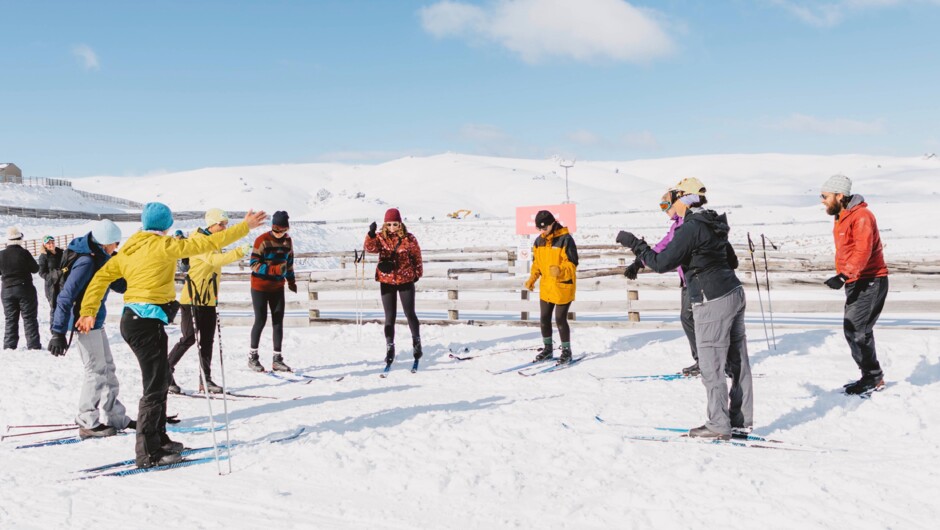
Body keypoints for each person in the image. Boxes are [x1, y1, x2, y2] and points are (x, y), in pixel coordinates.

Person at [77, 202, 267, 469]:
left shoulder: (129, 249)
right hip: (144, 324)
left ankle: (160, 438)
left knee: (161, 379)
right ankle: (147, 453)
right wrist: (244, 227)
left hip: (138, 321)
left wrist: (88, 311)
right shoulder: (163, 246)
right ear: (166, 225)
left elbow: (100, 279)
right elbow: (204, 245)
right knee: (154, 387)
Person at [616, 179, 752, 440]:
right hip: (733, 292)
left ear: (684, 198)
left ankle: (718, 425)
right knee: (738, 362)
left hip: (712, 298)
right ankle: (739, 420)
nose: (670, 205)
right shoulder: (713, 222)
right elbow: (732, 260)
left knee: (711, 366)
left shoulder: (690, 227)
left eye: (672, 199)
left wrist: (634, 243)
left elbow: (661, 262)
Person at [47, 220, 133, 439]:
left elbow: (119, 285)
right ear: (106, 243)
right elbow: (66, 296)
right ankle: (87, 420)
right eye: (115, 243)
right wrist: (58, 332)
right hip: (84, 323)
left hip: (96, 321)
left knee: (108, 369)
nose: (117, 247)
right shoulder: (86, 262)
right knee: (95, 371)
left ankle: (115, 416)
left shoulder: (100, 257)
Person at [819, 174, 889, 395]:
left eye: (825, 196)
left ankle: (872, 378)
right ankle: (871, 377)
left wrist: (843, 276)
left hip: (869, 279)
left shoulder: (862, 217)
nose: (822, 200)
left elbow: (863, 250)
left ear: (840, 195)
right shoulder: (842, 215)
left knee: (856, 329)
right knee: (858, 330)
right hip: (857, 279)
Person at [167, 208, 250, 394]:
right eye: (221, 224)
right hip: (192, 298)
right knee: (189, 338)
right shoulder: (198, 241)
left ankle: (205, 379)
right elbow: (215, 260)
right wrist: (238, 252)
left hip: (209, 299)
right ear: (210, 224)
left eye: (225, 225)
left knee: (207, 340)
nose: (223, 228)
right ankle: (166, 370)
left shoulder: (213, 241)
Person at [625, 185, 702, 376]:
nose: (665, 210)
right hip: (687, 281)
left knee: (696, 320)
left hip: (698, 280)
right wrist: (638, 262)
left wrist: (638, 248)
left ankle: (709, 361)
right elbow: (661, 247)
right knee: (689, 319)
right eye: (662, 207)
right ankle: (704, 359)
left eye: (666, 205)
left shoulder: (688, 225)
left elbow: (664, 258)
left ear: (677, 202)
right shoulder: (676, 226)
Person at [363, 208, 424, 367]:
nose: (392, 227)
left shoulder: (409, 239)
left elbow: (417, 256)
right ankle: (390, 348)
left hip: (405, 280)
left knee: (410, 313)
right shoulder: (379, 238)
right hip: (387, 280)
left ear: (400, 223)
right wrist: (370, 235)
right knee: (390, 316)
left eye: (395, 224)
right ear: (385, 224)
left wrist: (417, 273)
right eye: (389, 224)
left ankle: (416, 343)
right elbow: (369, 249)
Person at [524, 210, 578, 364]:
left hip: (562, 286)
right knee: (544, 319)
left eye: (545, 228)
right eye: (539, 229)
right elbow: (537, 264)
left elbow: (572, 264)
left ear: (552, 223)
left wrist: (561, 270)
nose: (542, 232)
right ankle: (548, 349)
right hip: (547, 286)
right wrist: (532, 278)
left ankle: (566, 351)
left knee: (560, 319)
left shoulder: (566, 240)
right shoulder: (538, 242)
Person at [248, 210, 295, 373]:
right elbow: (253, 264)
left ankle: (277, 359)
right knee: (260, 320)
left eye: (283, 231)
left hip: (277, 287)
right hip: (260, 287)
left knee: (278, 321)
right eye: (277, 230)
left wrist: (291, 280)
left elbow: (289, 263)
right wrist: (274, 270)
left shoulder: (288, 241)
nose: (280, 234)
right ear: (272, 227)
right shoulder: (262, 240)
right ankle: (253, 357)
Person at [0, 226, 42, 350]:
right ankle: (33, 345)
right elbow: (35, 269)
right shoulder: (24, 253)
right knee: (29, 318)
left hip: (7, 290)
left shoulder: (1, 254)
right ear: (19, 239)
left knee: (10, 319)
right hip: (25, 289)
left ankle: (9, 346)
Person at [37, 235, 64, 326]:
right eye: (48, 243)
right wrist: (55, 275)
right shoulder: (43, 256)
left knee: (65, 305)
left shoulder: (61, 253)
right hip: (52, 286)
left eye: (52, 242)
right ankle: (54, 328)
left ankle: (65, 325)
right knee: (54, 307)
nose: (51, 244)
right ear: (44, 245)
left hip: (63, 283)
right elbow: (42, 273)